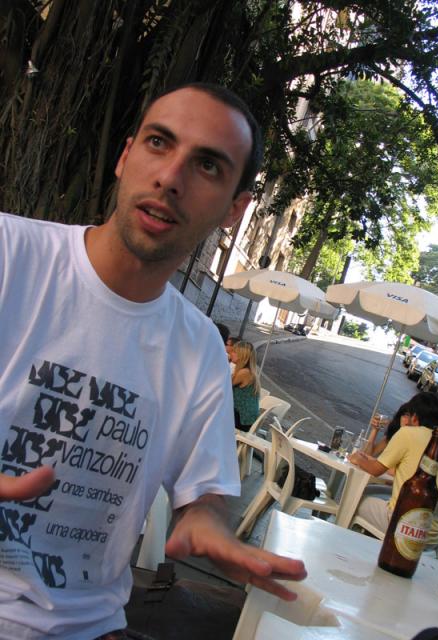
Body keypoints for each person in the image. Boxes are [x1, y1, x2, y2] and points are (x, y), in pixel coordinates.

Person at [0, 82, 306, 640]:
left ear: (235, 209)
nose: (170, 177)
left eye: (208, 165)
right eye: (159, 143)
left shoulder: (200, 347)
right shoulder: (10, 255)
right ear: (125, 156)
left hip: (87, 627)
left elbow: (205, 494)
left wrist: (208, 524)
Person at [349, 392, 438, 542]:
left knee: (353, 498)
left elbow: (375, 470)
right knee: (374, 493)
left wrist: (357, 458)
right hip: (435, 536)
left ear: (414, 417)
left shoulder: (407, 433)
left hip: (406, 526)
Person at [231, 341, 261, 432]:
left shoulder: (244, 373)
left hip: (243, 418)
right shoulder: (248, 370)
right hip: (246, 415)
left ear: (242, 355)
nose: (231, 353)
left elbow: (224, 386)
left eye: (234, 352)